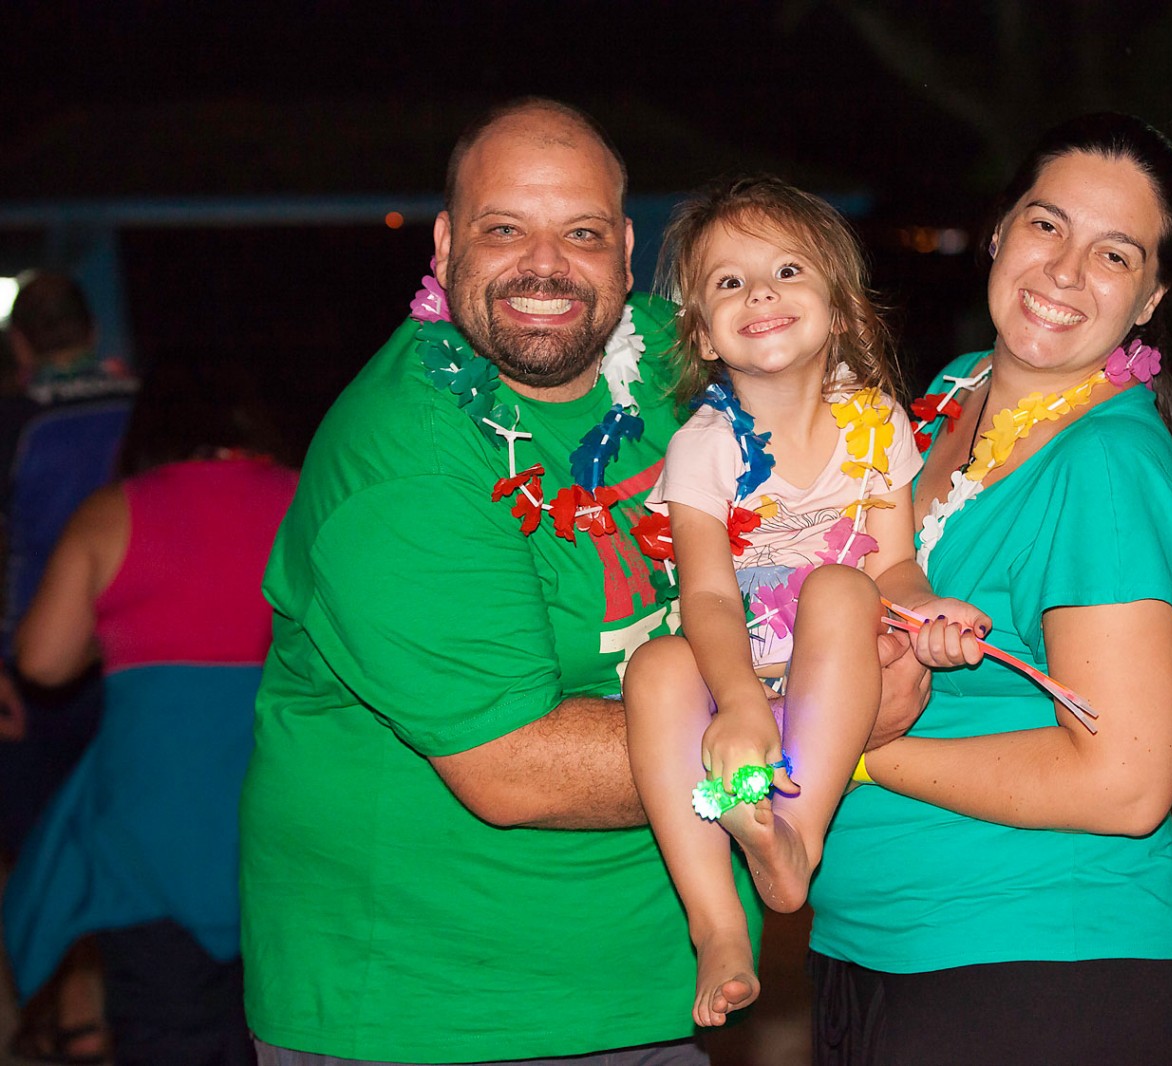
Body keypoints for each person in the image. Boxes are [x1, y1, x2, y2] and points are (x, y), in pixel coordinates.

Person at [238, 98, 926, 1066]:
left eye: (583, 233)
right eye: (503, 229)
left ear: (627, 251)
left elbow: (849, 435)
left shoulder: (681, 356)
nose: (545, 266)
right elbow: (512, 766)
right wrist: (821, 721)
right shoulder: (402, 461)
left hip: (655, 988)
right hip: (428, 1009)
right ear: (444, 244)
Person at [804, 113, 1172, 1065]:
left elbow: (1126, 780)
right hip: (876, 942)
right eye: (1047, 225)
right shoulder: (951, 394)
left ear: (1152, 298)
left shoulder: (1104, 463)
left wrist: (853, 752)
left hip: (1036, 958)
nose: (1065, 271)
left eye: (1114, 254)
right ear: (1000, 231)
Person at [622, 177, 986, 1028]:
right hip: (735, 660)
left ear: (842, 310)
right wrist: (742, 701)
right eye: (729, 281)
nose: (760, 293)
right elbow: (706, 594)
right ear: (701, 332)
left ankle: (797, 837)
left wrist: (929, 612)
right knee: (655, 669)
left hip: (836, 660)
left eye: (787, 271)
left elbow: (894, 568)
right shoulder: (703, 447)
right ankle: (718, 925)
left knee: (842, 582)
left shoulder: (876, 422)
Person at [3, 353, 297, 1065]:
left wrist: (123, 628)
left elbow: (41, 661)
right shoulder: (306, 497)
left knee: (168, 1032)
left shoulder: (114, 511)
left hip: (154, 836)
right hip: (288, 827)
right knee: (285, 1029)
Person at [0, 272, 137, 846]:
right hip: (134, 656)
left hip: (32, 659)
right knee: (124, 837)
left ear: (20, 344)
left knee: (36, 846)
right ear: (94, 330)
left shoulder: (12, 422)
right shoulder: (148, 408)